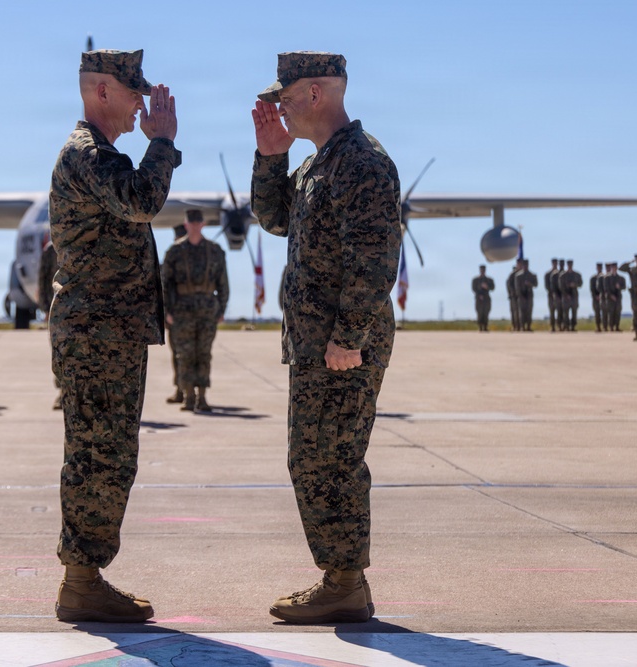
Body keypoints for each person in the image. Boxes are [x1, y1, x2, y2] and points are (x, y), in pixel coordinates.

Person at [251, 51, 400, 624]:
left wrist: (349, 336)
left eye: (285, 98)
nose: (280, 109)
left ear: (316, 93)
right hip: (319, 343)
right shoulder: (320, 163)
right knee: (311, 458)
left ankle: (344, 583)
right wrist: (271, 159)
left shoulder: (360, 162)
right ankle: (341, 578)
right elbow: (274, 218)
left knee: (332, 459)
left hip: (342, 345)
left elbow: (375, 258)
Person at [49, 48, 179, 623]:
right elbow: (143, 201)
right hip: (96, 335)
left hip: (110, 332)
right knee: (99, 455)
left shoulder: (103, 156)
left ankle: (86, 575)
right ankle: (81, 580)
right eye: (134, 94)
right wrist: (163, 141)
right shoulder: (88, 156)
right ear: (103, 91)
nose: (140, 105)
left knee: (110, 454)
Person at [162, 209, 229, 411]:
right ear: (186, 224)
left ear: (202, 225)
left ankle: (202, 396)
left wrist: (221, 309)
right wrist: (167, 311)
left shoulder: (215, 251)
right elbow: (166, 284)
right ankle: (189, 396)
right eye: (191, 223)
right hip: (182, 309)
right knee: (185, 354)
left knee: (204, 353)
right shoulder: (174, 252)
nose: (194, 226)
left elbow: (223, 283)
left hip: (208, 309)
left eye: (197, 222)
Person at [38, 238, 63, 410]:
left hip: (81, 308)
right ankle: (63, 393)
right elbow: (43, 279)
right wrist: (46, 308)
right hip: (58, 310)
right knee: (59, 353)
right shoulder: (50, 250)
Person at [164, 223, 187, 404]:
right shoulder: (169, 261)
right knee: (178, 354)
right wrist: (166, 313)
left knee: (195, 354)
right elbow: (164, 288)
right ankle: (180, 389)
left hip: (194, 313)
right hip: (175, 314)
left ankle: (192, 391)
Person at [620, 253, 637, 341]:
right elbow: (621, 268)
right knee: (636, 314)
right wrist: (630, 262)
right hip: (635, 294)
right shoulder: (632, 269)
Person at [560, 259, 582, 331]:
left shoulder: (577, 275)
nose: (570, 266)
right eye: (569, 265)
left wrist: (574, 285)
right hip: (566, 297)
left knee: (574, 312)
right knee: (565, 313)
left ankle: (573, 326)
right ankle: (566, 326)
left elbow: (580, 284)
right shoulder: (563, 276)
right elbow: (561, 287)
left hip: (574, 296)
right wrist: (566, 295)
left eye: (571, 265)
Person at [516, 258, 537, 331]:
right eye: (524, 265)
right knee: (522, 312)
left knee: (529, 312)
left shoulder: (532, 275)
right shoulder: (518, 276)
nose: (525, 266)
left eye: (526, 265)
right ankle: (522, 326)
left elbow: (536, 284)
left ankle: (528, 326)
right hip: (521, 296)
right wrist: (521, 296)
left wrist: (530, 284)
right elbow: (517, 288)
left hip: (529, 295)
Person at [471, 265, 494, 332]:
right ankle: (480, 327)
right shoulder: (475, 280)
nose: (482, 271)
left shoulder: (489, 280)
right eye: (481, 270)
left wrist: (487, 287)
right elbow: (473, 289)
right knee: (479, 312)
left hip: (486, 298)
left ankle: (485, 327)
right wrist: (479, 294)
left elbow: (493, 287)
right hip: (479, 298)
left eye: (483, 270)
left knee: (486, 312)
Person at [603, 262, 624, 332]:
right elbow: (605, 288)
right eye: (612, 267)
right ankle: (611, 327)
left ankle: (617, 326)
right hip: (610, 298)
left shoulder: (620, 278)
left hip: (618, 297)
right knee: (610, 312)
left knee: (618, 312)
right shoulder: (607, 278)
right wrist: (611, 296)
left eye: (615, 267)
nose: (614, 269)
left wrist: (619, 287)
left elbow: (624, 286)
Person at [544, 258, 559, 331]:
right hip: (551, 295)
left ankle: (560, 326)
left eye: (556, 263)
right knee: (552, 311)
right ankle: (552, 326)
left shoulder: (560, 273)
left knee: (560, 312)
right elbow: (546, 286)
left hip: (559, 296)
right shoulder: (548, 274)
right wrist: (552, 292)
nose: (555, 264)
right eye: (554, 263)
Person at [590, 262, 604, 332]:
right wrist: (596, 296)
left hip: (604, 298)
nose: (599, 269)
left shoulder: (604, 277)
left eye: (600, 267)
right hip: (595, 298)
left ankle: (605, 326)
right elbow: (592, 289)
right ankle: (598, 326)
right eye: (598, 267)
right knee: (597, 313)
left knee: (605, 313)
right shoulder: (593, 278)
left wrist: (602, 296)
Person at [506, 261, 520, 332]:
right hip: (514, 297)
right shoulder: (512, 275)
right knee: (515, 312)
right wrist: (511, 294)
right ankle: (515, 326)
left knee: (522, 312)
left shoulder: (523, 274)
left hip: (521, 296)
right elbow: (509, 285)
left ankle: (521, 326)